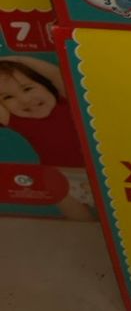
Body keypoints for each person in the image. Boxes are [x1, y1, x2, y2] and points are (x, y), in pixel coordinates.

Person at [0, 56, 94, 220]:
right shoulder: (14, 120)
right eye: (8, 97)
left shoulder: (67, 102)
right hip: (58, 179)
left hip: (94, 175)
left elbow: (55, 74)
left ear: (45, 84)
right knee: (83, 225)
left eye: (27, 88)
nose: (24, 100)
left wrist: (16, 59)